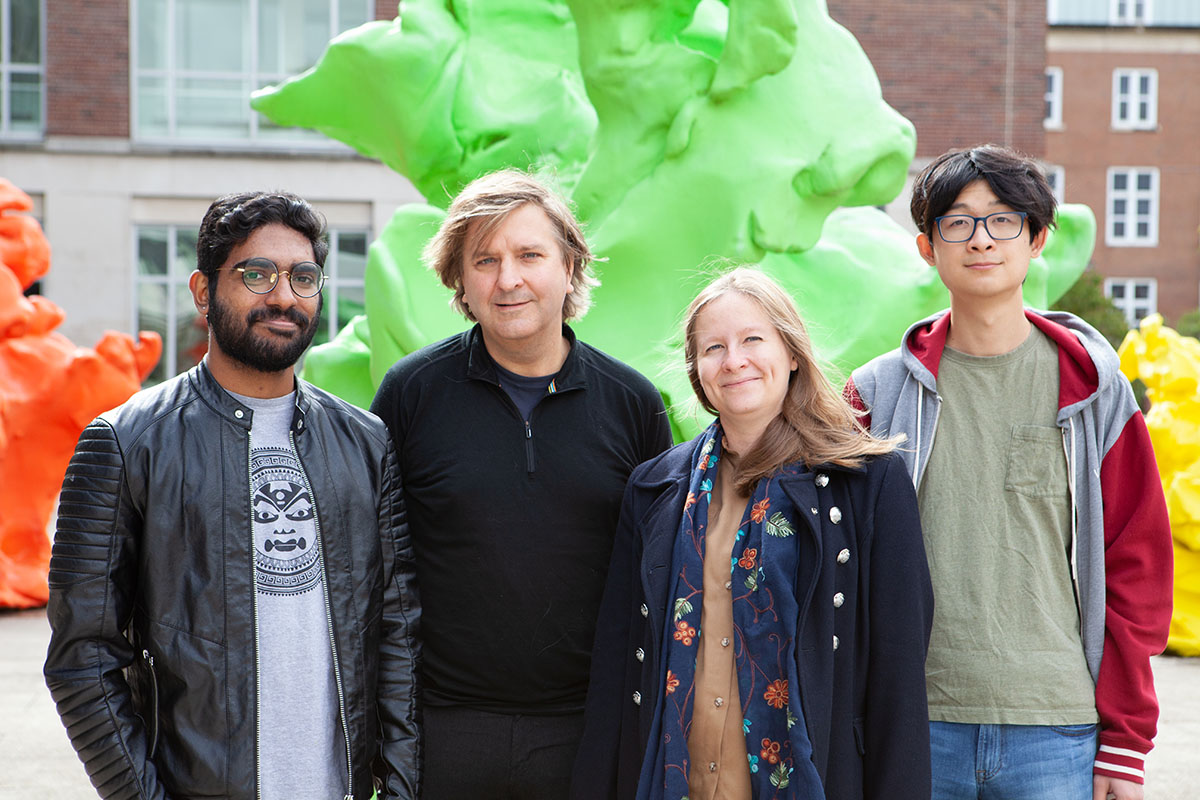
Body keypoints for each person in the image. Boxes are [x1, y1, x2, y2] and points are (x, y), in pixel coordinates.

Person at [44, 191, 421, 800]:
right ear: (202, 291)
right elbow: (82, 658)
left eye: (303, 278)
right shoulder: (126, 442)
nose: (283, 296)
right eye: (256, 274)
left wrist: (399, 789)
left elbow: (398, 633)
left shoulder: (366, 443)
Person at [845, 144, 1174, 800]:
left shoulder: (1094, 394)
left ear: (1037, 239)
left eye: (1003, 220)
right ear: (926, 248)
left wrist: (1126, 743)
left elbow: (1137, 570)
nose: (981, 239)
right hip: (916, 722)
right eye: (957, 222)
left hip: (1055, 730)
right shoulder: (875, 396)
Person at [572, 267, 934, 800]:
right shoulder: (655, 488)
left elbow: (899, 682)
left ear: (791, 353)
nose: (734, 360)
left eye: (752, 340)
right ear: (698, 372)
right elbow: (614, 671)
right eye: (713, 347)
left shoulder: (868, 484)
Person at [369, 169, 674, 798]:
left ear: (570, 267)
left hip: (587, 729)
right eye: (485, 260)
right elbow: (371, 565)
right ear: (459, 282)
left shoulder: (633, 404)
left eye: (529, 255)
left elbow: (661, 574)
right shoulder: (410, 396)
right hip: (443, 730)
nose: (508, 279)